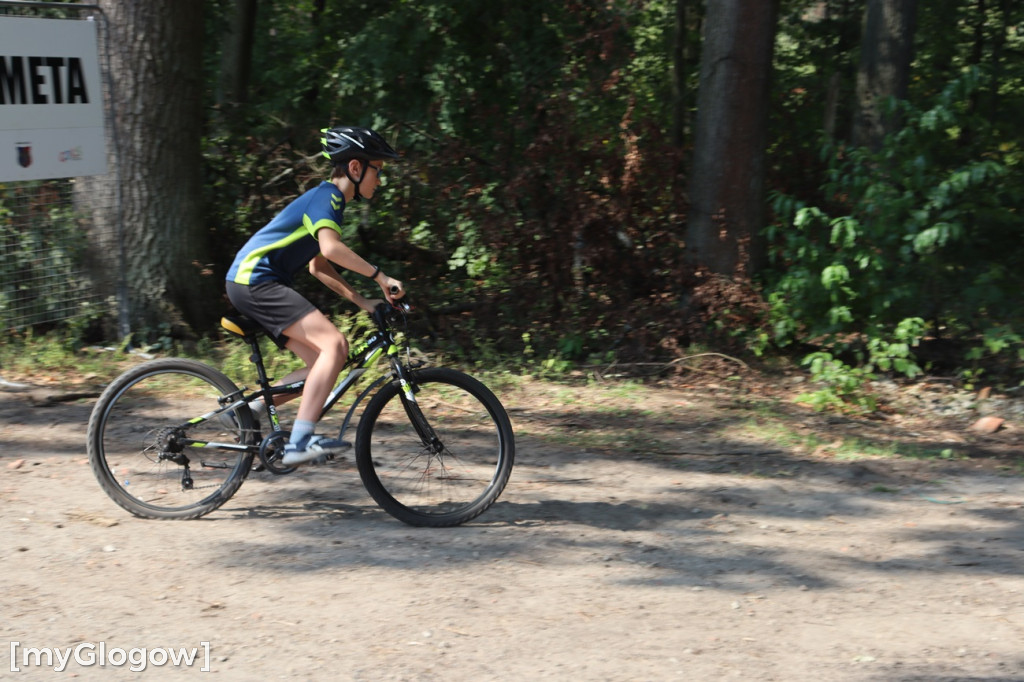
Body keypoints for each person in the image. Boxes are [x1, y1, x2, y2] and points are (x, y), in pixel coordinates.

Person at [225, 126, 405, 466]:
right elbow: (331, 248)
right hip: (255, 281)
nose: (379, 180)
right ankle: (299, 443)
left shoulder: (330, 203)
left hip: (252, 282)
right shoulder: (328, 197)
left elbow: (318, 266)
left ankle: (249, 411)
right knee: (336, 345)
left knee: (321, 364)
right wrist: (380, 277)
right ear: (355, 168)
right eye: (377, 171)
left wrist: (363, 302)